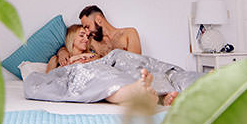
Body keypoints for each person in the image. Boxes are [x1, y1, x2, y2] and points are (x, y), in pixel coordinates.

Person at [25, 25, 202, 107]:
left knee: (117, 67)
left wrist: (93, 58)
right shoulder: (59, 58)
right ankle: (138, 93)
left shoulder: (94, 55)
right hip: (80, 74)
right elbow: (50, 76)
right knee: (95, 78)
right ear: (70, 39)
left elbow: (112, 61)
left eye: (87, 36)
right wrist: (65, 58)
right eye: (81, 35)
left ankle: (161, 95)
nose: (86, 39)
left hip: (103, 69)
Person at [56, 5, 141, 65]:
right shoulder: (92, 41)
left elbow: (134, 65)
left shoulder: (129, 34)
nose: (87, 32)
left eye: (88, 27)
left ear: (98, 19)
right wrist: (62, 52)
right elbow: (72, 44)